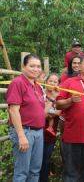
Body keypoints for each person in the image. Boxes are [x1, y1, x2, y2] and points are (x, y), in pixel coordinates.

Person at [6, 54, 45, 182]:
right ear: (23, 67)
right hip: (25, 131)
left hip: (38, 132)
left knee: (34, 171)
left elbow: (40, 111)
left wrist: (52, 98)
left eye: (38, 66)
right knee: (22, 172)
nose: (36, 69)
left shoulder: (37, 86)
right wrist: (21, 136)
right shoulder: (18, 83)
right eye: (32, 66)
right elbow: (13, 110)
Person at [39, 74, 61, 182]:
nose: (52, 83)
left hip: (50, 132)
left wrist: (52, 114)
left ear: (58, 84)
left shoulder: (60, 95)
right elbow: (39, 112)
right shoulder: (40, 93)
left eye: (55, 82)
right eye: (50, 81)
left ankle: (44, 179)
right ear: (46, 82)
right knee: (37, 159)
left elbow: (61, 111)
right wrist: (48, 114)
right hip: (38, 130)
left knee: (46, 158)